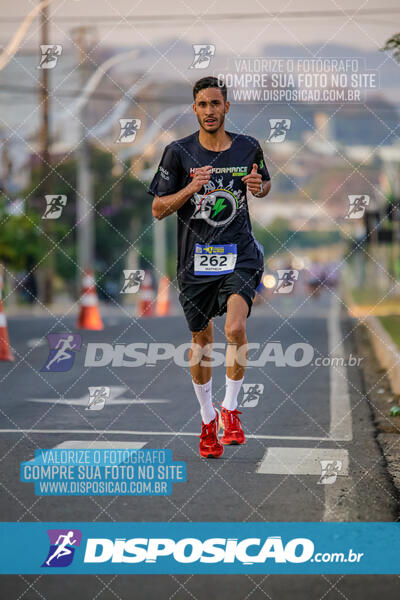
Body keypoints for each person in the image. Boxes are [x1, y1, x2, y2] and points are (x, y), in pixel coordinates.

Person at [148, 76, 271, 458]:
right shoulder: (178, 153)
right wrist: (189, 188)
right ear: (195, 108)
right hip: (195, 262)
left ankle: (231, 411)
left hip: (240, 253)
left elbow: (265, 184)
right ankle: (207, 419)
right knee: (202, 342)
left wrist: (257, 186)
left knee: (235, 327)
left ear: (226, 107)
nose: (209, 111)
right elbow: (157, 209)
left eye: (215, 104)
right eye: (202, 105)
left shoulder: (248, 146)